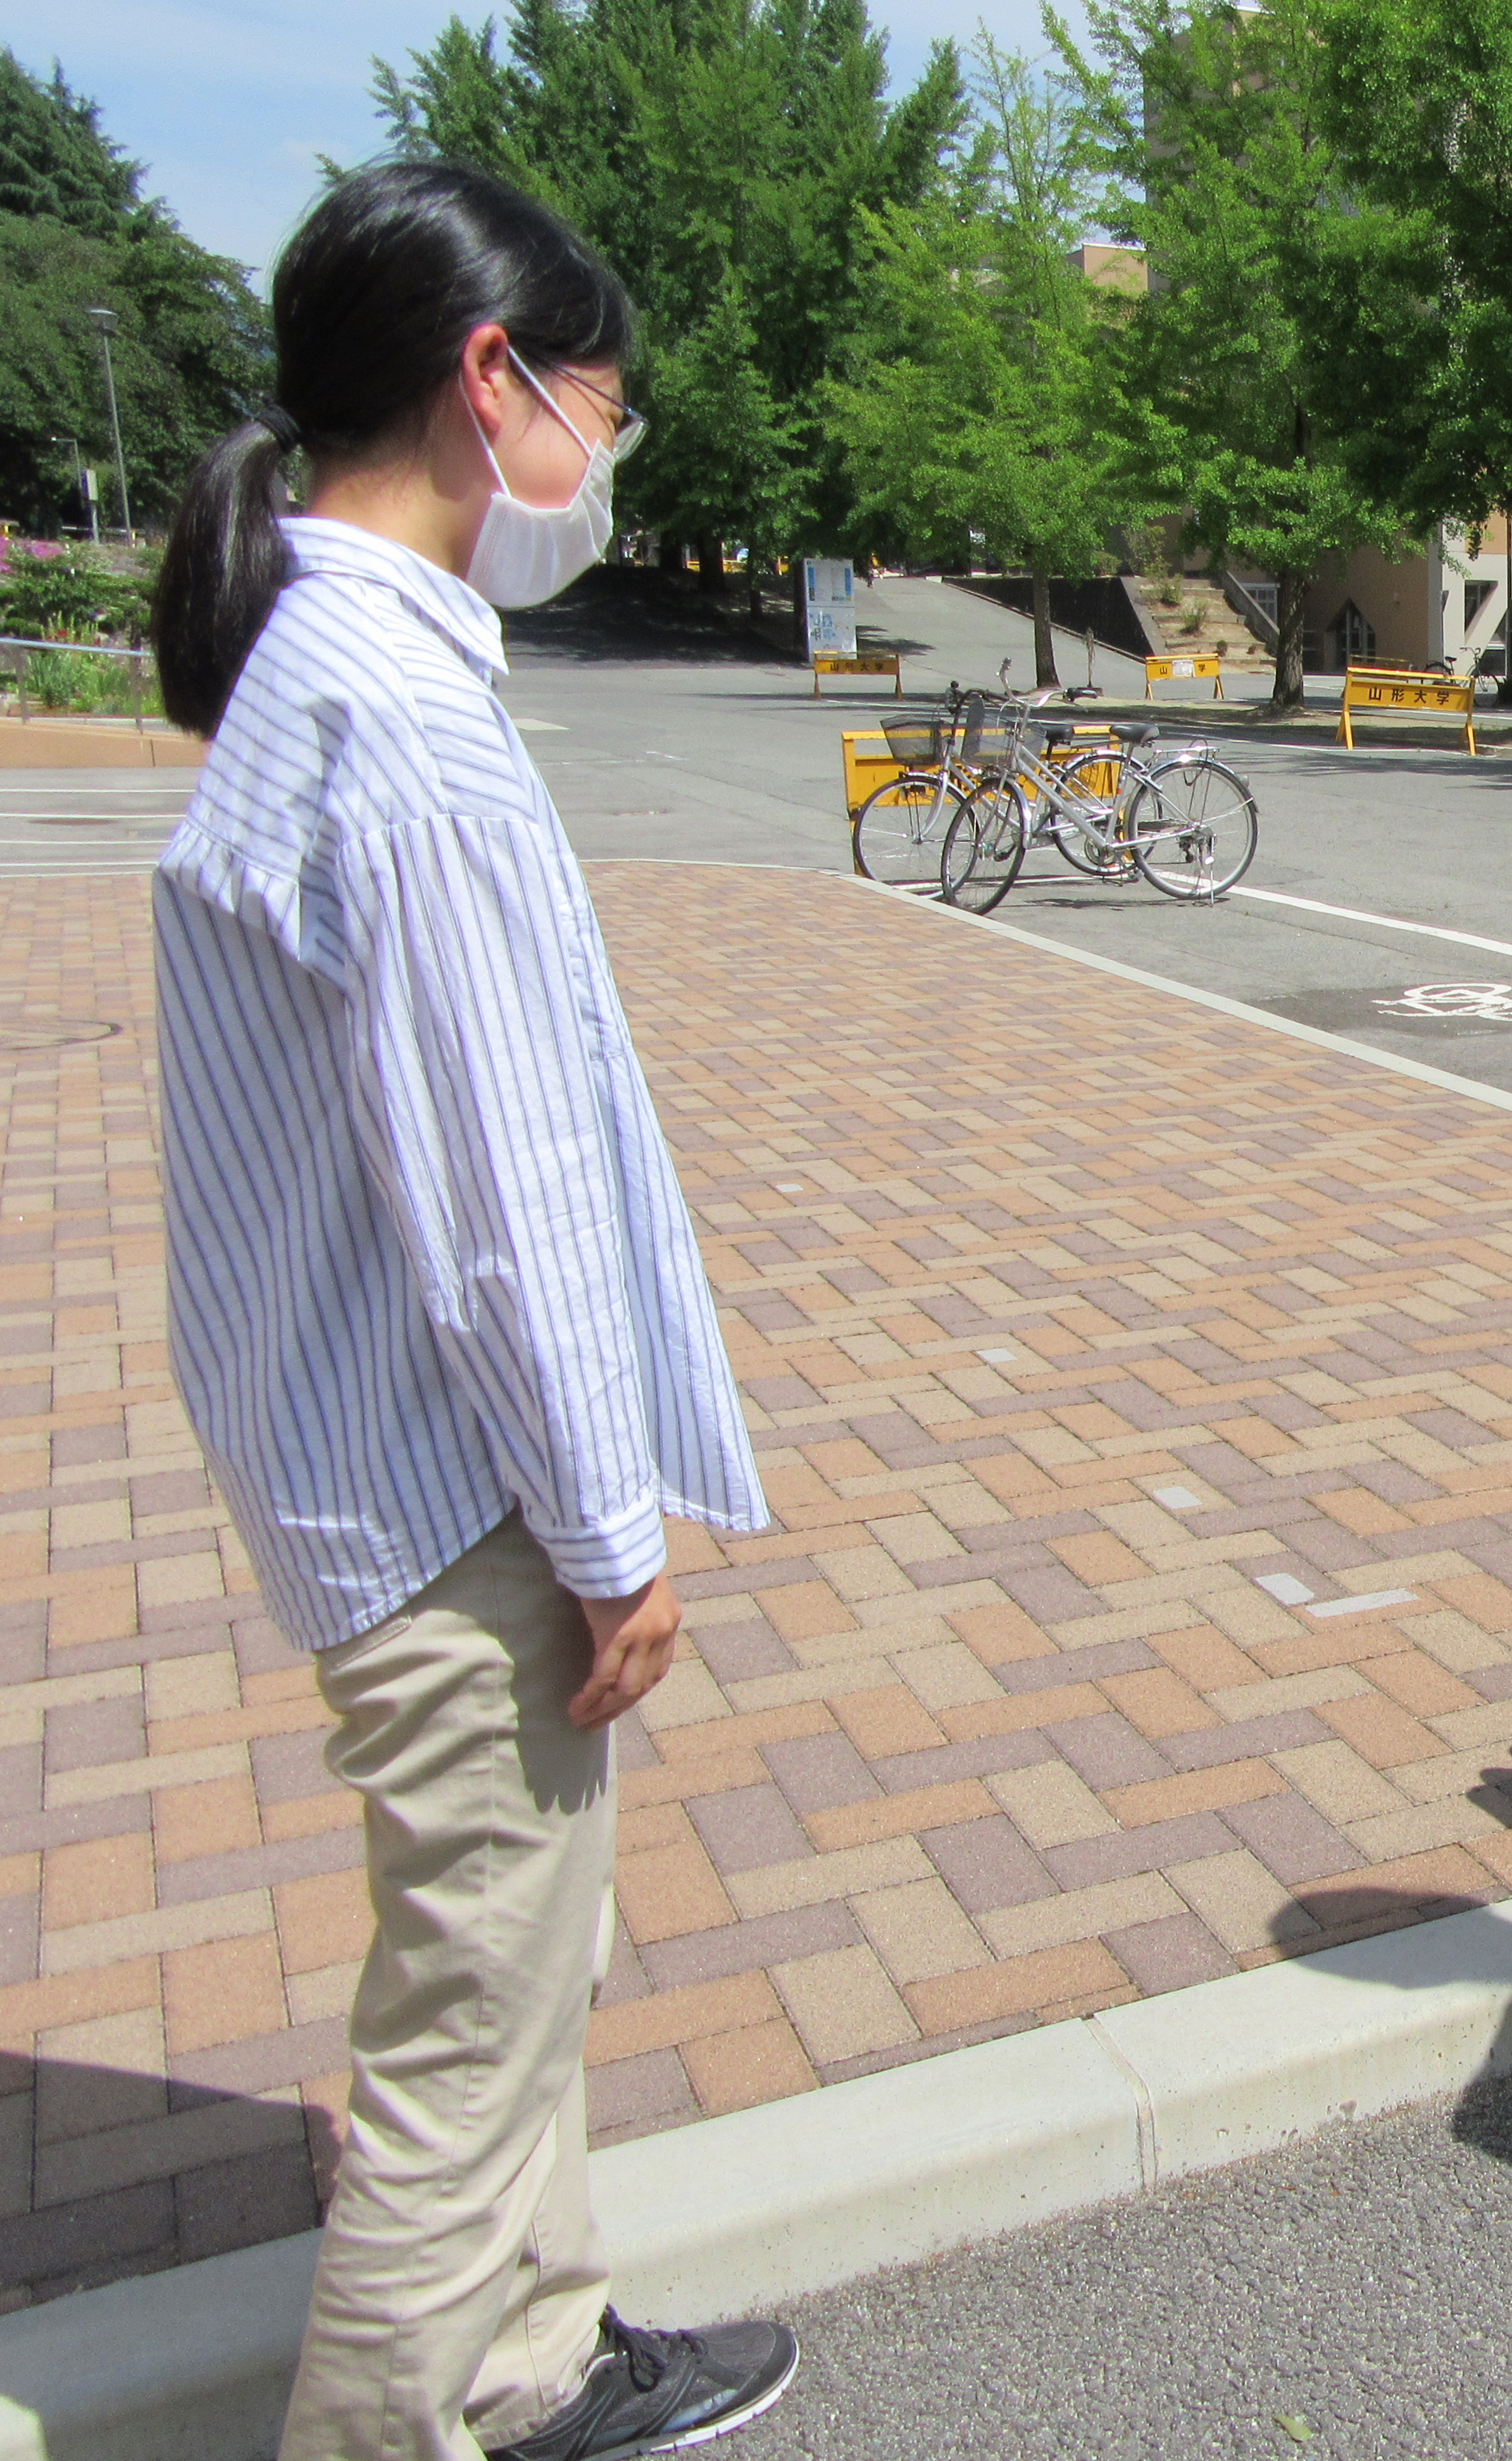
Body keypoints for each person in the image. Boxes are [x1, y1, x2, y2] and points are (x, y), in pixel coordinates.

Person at [149, 164, 796, 2460]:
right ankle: (407, 2410)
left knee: (524, 1971)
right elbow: (500, 1189)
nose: (598, 476)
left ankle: (536, 2356)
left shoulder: (339, 667)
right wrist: (609, 1534)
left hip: (384, 1463)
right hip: (449, 1499)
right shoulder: (396, 720)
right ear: (488, 383)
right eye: (598, 416)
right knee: (461, 2042)